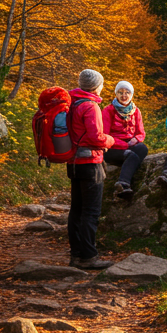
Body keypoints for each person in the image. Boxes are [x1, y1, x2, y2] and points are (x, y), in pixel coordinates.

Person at [67, 68, 115, 270]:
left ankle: (76, 255)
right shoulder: (90, 106)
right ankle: (89, 256)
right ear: (97, 86)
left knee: (76, 210)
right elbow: (96, 137)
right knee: (91, 211)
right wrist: (111, 140)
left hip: (73, 162)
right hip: (90, 163)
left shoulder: (71, 103)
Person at [102, 80, 147, 199]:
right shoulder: (108, 110)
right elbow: (104, 135)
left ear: (131, 94)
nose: (124, 95)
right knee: (132, 156)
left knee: (142, 148)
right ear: (116, 94)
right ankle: (123, 183)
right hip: (112, 147)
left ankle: (127, 168)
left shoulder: (135, 110)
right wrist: (124, 145)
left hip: (129, 144)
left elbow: (141, 133)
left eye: (127, 92)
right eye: (120, 92)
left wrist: (136, 139)